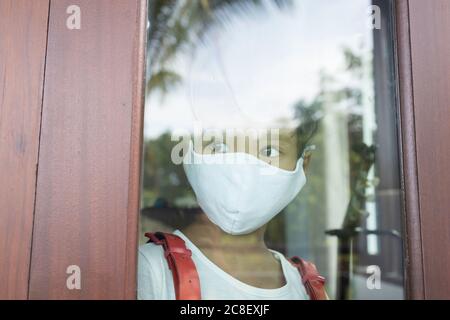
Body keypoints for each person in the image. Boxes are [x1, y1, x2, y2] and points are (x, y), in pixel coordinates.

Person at [138, 127, 326, 300]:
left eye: (270, 151)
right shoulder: (149, 269)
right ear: (188, 151)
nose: (241, 170)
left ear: (304, 165)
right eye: (219, 146)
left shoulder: (308, 288)